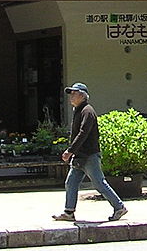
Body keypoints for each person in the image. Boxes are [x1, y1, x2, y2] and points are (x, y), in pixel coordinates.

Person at [52, 82, 127, 222]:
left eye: (74, 93)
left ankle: (119, 207)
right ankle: (69, 212)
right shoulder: (79, 110)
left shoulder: (87, 111)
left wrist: (70, 151)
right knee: (71, 182)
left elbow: (83, 133)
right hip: (80, 156)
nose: (71, 96)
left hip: (89, 156)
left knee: (99, 183)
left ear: (82, 95)